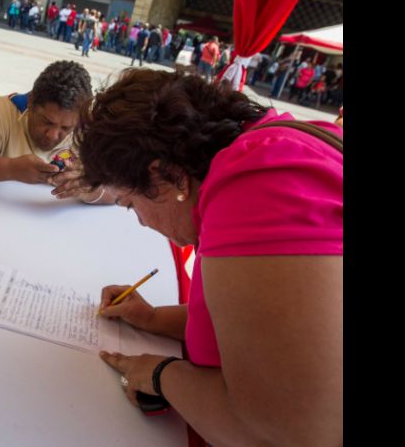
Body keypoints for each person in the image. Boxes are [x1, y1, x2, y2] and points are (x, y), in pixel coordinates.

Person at [74, 69, 341, 445]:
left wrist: (160, 375)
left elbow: (286, 433)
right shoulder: (269, 148)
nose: (141, 223)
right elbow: (261, 323)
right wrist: (152, 319)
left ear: (167, 176)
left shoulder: (256, 188)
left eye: (130, 205)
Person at [0, 61, 115, 205]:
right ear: (31, 103)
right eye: (47, 121)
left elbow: (121, 190)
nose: (53, 135)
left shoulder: (89, 127)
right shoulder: (7, 110)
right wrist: (10, 168)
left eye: (66, 128)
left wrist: (90, 190)